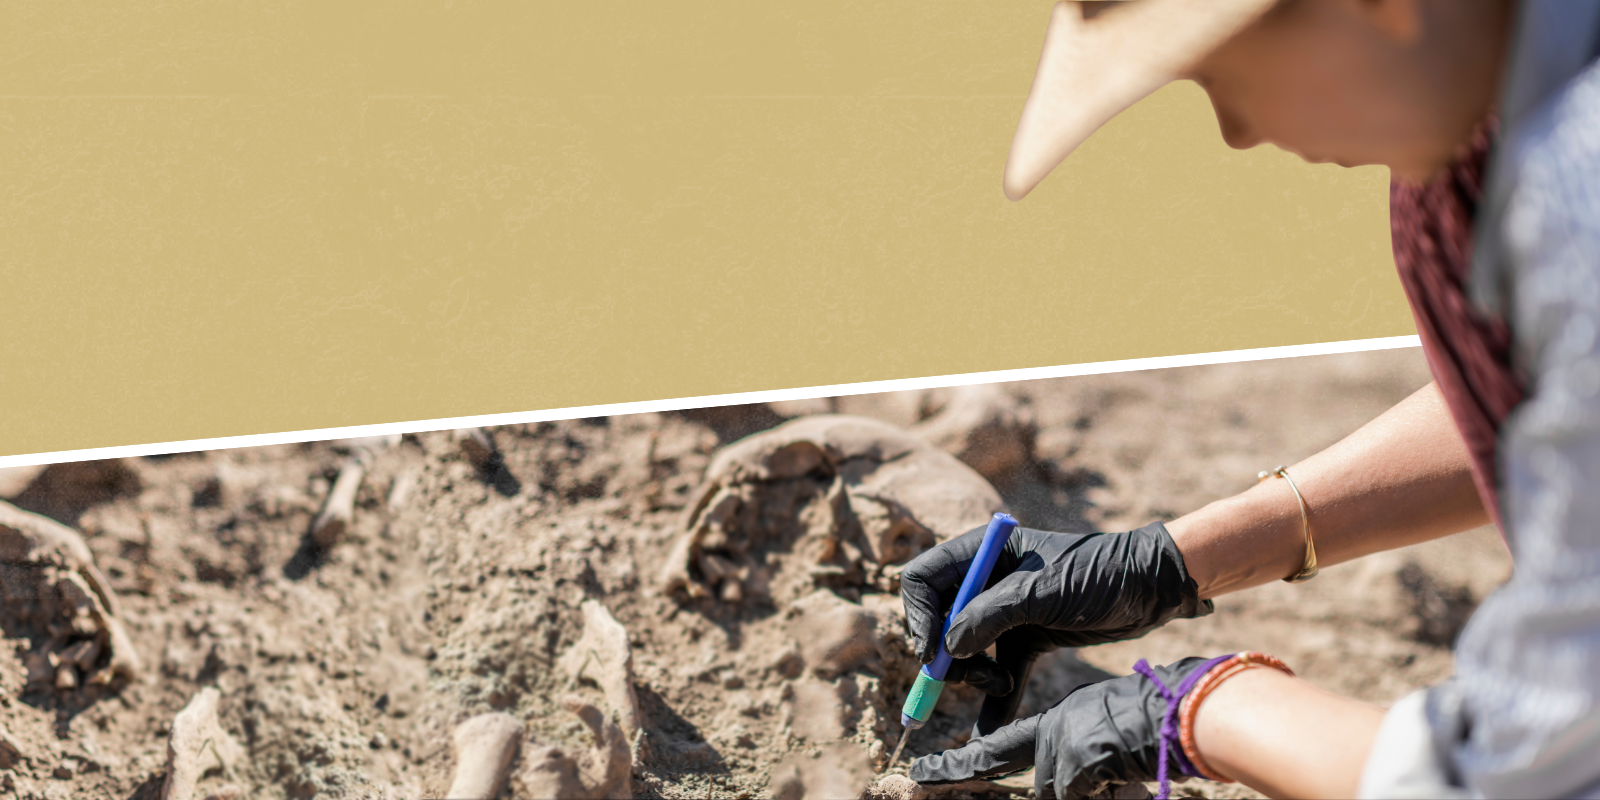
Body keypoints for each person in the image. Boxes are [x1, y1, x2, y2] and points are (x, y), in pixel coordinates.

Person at [901, 1, 1600, 798]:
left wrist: (1201, 709)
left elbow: (1520, 774)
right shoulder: (1483, 158)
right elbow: (1552, 405)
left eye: (1215, 69)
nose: (1235, 130)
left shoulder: (1576, 200)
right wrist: (1172, 561)